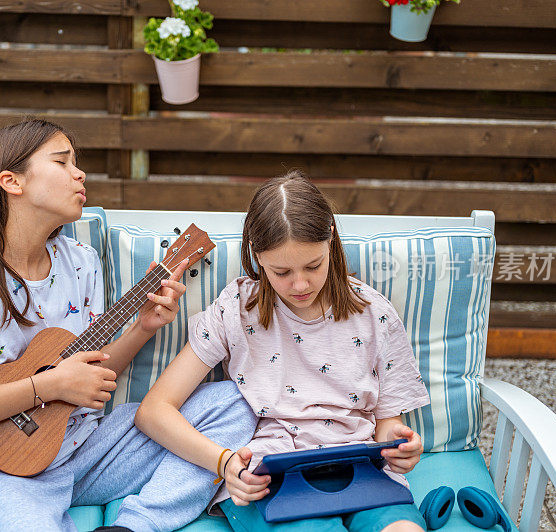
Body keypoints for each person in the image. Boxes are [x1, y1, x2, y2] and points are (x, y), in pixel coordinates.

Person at [0, 119, 256, 532]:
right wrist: (48, 385)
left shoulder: (81, 261)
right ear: (11, 181)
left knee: (235, 402)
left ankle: (136, 526)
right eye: (63, 163)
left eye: (77, 163)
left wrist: (143, 327)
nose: (80, 174)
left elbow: (90, 373)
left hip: (83, 450)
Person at [135, 171, 431, 532]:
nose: (300, 284)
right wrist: (225, 463)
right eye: (281, 271)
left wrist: (398, 448)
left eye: (313, 265)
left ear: (330, 240)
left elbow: (388, 423)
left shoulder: (374, 313)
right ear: (257, 257)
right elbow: (153, 411)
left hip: (361, 471)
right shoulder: (236, 310)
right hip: (269, 476)